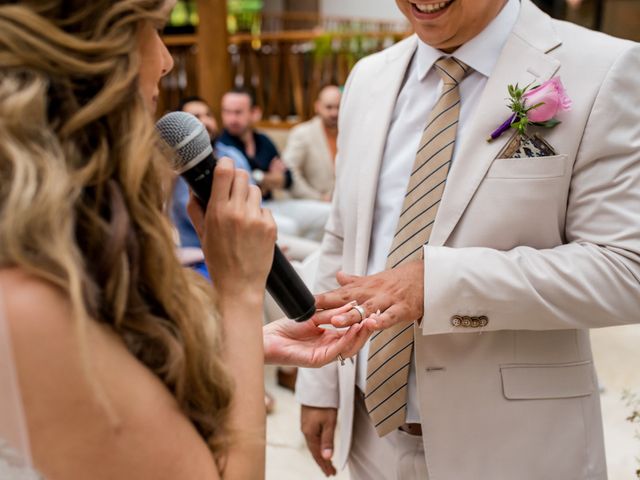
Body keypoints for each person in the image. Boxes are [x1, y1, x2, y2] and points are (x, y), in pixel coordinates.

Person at [0, 1, 373, 479]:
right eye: (154, 28)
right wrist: (239, 291)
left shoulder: (54, 244)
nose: (167, 58)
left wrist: (241, 343)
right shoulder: (29, 307)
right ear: (92, 55)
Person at [296, 0, 640, 479]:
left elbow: (626, 269)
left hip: (516, 445)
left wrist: (436, 286)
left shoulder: (602, 68)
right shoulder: (369, 77)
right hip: (370, 438)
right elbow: (343, 236)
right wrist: (322, 387)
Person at [220, 88, 331, 242]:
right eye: (227, 112)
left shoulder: (263, 141)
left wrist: (265, 179)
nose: (232, 119)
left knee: (328, 213)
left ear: (255, 113)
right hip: (247, 210)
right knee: (289, 227)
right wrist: (268, 178)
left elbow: (287, 178)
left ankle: (303, 257)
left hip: (271, 203)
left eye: (238, 112)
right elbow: (243, 184)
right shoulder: (222, 146)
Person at [283, 85, 341, 202]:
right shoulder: (302, 134)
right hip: (311, 202)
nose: (334, 113)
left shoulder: (348, 134)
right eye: (329, 107)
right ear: (318, 107)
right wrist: (318, 197)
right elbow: (289, 171)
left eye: (338, 107)